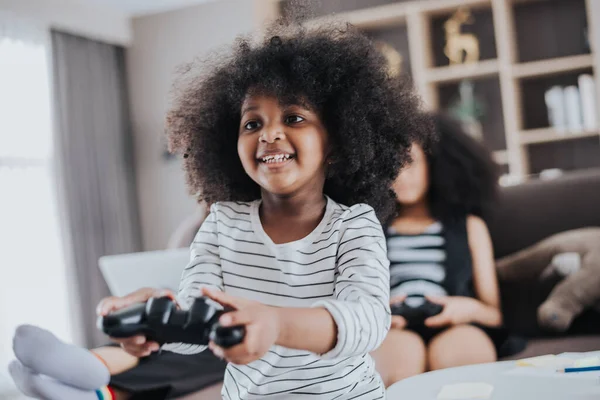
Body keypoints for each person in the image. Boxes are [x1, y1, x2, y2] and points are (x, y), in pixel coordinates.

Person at [9, 20, 432, 400]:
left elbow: (367, 320)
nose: (270, 135)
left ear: (338, 142)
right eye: (252, 123)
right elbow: (197, 326)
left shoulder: (353, 225)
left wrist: (275, 325)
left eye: (294, 118)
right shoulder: (223, 223)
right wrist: (159, 320)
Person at [372, 113, 506, 388]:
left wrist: (465, 309)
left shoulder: (469, 226)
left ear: (435, 164)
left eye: (411, 164)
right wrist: (376, 313)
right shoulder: (368, 228)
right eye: (391, 166)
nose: (401, 176)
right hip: (394, 328)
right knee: (397, 371)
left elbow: (494, 314)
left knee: (463, 368)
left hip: (456, 324)